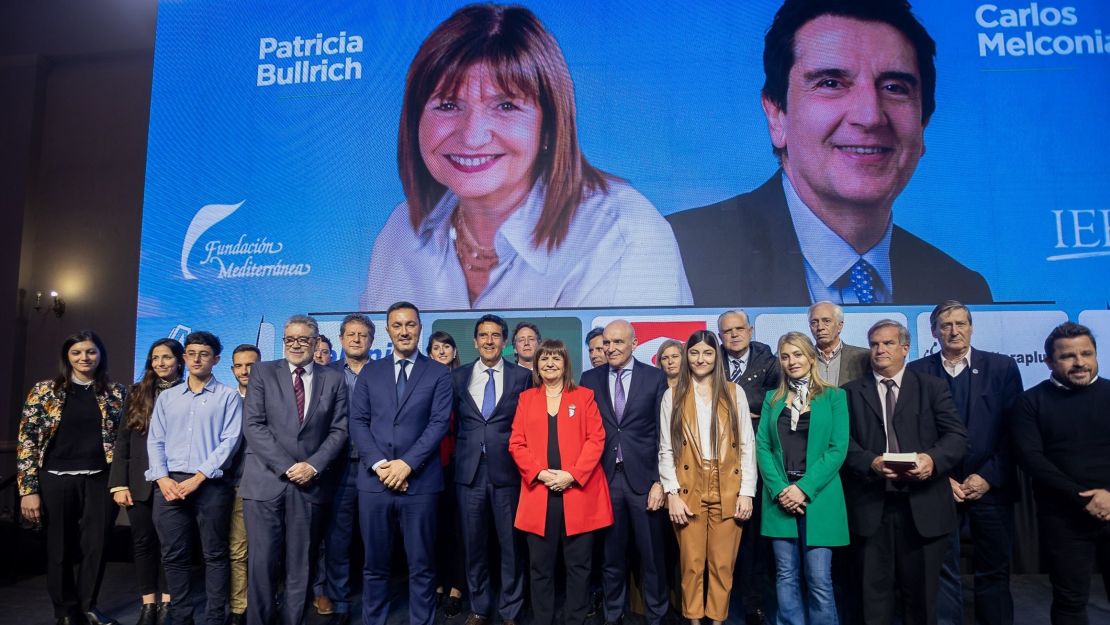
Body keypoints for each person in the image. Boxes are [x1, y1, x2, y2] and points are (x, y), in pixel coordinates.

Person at [359, 3, 691, 310]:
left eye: (506, 106)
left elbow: (609, 374)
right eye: (447, 105)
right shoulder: (401, 231)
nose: (472, 136)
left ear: (549, 126)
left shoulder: (621, 234)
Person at [667, 0, 992, 307]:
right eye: (831, 83)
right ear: (776, 115)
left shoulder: (963, 289)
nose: (870, 116)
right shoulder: (678, 252)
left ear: (922, 127)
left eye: (894, 88)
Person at [841, 319, 967, 625]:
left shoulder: (932, 387)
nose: (880, 350)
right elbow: (841, 443)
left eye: (888, 343)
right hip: (872, 507)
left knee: (922, 599)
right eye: (874, 344)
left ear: (905, 348)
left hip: (924, 507)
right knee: (873, 599)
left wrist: (932, 460)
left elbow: (956, 437)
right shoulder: (848, 392)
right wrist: (870, 462)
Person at [906, 301, 1023, 625]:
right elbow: (913, 432)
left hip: (991, 488)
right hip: (939, 488)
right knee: (941, 574)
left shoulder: (1001, 367)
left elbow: (1014, 431)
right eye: (946, 325)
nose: (954, 331)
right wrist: (940, 478)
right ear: (933, 331)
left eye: (960, 323)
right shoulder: (916, 371)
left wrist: (987, 477)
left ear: (971, 327)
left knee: (994, 573)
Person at [240, 315, 349, 625]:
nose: (296, 345)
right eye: (290, 339)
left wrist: (312, 466)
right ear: (283, 341)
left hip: (309, 485)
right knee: (261, 565)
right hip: (265, 483)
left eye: (304, 340)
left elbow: (339, 430)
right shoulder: (262, 372)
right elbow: (254, 425)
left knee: (300, 566)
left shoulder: (334, 379)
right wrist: (289, 467)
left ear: (315, 343)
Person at [350, 302, 452, 625]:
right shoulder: (371, 371)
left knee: (422, 565)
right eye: (397, 325)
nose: (404, 331)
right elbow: (358, 422)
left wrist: (406, 465)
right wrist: (382, 465)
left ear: (420, 328)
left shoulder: (438, 372)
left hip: (420, 483)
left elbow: (438, 424)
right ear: (388, 330)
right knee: (375, 564)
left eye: (411, 324)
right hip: (374, 483)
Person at [18, 330, 126, 625]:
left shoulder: (116, 393)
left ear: (100, 355)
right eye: (77, 352)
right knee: (59, 548)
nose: (84, 358)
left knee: (97, 545)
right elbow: (27, 440)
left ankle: (89, 606)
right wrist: (29, 489)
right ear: (67, 356)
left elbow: (124, 441)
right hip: (54, 478)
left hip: (101, 479)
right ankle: (65, 611)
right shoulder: (44, 392)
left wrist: (122, 481)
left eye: (91, 351)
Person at [1010, 322, 1109, 625]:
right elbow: (1031, 459)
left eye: (1086, 353)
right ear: (1049, 362)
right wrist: (1084, 499)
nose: (1079, 362)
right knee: (1070, 601)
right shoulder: (1029, 402)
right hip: (1063, 518)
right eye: (1068, 356)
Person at [509, 339, 613, 625]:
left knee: (579, 566)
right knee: (540, 567)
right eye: (544, 359)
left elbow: (596, 439)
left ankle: (575, 619)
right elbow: (516, 443)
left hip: (577, 492)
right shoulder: (526, 399)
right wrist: (540, 473)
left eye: (556, 358)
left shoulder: (584, 396)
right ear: (537, 365)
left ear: (566, 363)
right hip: (539, 492)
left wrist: (572, 475)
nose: (550, 363)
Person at [659, 330, 757, 625]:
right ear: (687, 357)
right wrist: (671, 493)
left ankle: (716, 620)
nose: (701, 359)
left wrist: (747, 492)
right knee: (691, 565)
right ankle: (693, 620)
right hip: (688, 485)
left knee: (722, 564)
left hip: (727, 481)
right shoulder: (673, 394)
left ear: (717, 357)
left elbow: (747, 445)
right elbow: (666, 448)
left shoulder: (733, 392)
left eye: (707, 353)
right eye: (694, 353)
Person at [146, 331, 242, 625]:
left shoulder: (228, 396)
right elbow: (155, 440)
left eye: (204, 353)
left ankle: (215, 617)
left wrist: (199, 477)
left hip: (210, 484)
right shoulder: (168, 398)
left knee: (214, 554)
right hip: (170, 485)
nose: (197, 358)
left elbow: (230, 441)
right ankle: (181, 617)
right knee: (174, 557)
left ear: (216, 359)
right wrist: (162, 479)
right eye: (191, 353)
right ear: (184, 358)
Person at [578, 320, 670, 625]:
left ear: (634, 343)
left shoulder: (655, 378)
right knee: (610, 556)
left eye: (618, 342)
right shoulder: (589, 379)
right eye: (607, 343)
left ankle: (657, 616)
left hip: (645, 481)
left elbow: (664, 433)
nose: (611, 348)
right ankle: (613, 615)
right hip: (604, 480)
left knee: (653, 557)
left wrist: (660, 481)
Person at [755, 332, 849, 625]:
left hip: (819, 497)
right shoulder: (773, 398)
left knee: (819, 577)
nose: (791, 361)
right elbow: (763, 447)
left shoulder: (834, 396)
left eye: (797, 354)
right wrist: (782, 490)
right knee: (785, 576)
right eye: (785, 356)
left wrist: (803, 489)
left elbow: (837, 449)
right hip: (780, 499)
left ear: (811, 357)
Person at [452, 315, 533, 625]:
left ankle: (511, 609)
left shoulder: (521, 377)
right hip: (469, 473)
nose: (489, 340)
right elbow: (453, 424)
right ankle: (480, 607)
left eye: (495, 335)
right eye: (483, 335)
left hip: (508, 473)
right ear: (475, 341)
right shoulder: (458, 377)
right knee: (474, 545)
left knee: (511, 545)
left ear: (504, 341)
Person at [109, 338, 183, 625]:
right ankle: (148, 604)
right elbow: (123, 441)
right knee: (143, 543)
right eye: (155, 358)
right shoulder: (137, 392)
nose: (160, 363)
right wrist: (119, 484)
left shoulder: (188, 392)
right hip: (139, 481)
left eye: (167, 357)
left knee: (172, 544)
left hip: (173, 481)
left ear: (180, 360)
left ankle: (167, 602)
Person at [716, 310, 777, 622]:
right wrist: (744, 410)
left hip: (756, 461)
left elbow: (778, 399)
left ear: (750, 330)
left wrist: (746, 406)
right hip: (716, 461)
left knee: (752, 538)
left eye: (740, 329)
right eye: (727, 331)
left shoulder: (770, 362)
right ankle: (718, 603)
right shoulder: (712, 362)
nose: (734, 335)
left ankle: (753, 603)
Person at [315, 315, 374, 625]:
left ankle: (374, 603)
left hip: (376, 467)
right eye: (350, 334)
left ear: (371, 340)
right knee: (338, 540)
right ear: (340, 339)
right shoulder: (326, 374)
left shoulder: (383, 372)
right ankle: (340, 602)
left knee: (377, 539)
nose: (356, 339)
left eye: (362, 335)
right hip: (337, 468)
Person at [425, 330, 466, 619]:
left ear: (454, 351)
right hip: (427, 465)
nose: (441, 351)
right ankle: (437, 584)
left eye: (446, 346)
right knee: (432, 530)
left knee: (456, 530)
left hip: (457, 464)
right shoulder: (422, 382)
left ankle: (456, 588)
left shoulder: (463, 380)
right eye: (436, 348)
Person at [229, 344, 260, 625]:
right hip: (219, 483)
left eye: (250, 365)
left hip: (255, 484)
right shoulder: (224, 399)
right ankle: (238, 605)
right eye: (239, 366)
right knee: (234, 551)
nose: (244, 371)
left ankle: (256, 604)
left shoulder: (271, 400)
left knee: (252, 549)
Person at [808, 301, 870, 387]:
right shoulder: (804, 358)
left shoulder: (863, 357)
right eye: (814, 322)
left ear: (840, 325)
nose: (820, 327)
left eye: (826, 321)